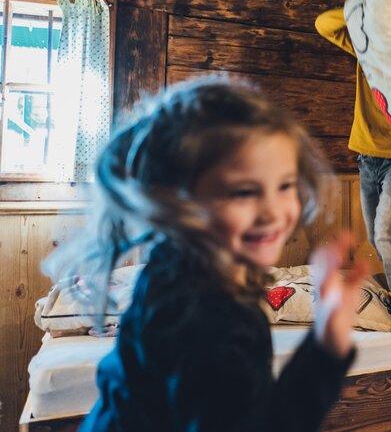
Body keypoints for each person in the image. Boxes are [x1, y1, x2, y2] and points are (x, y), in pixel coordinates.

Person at [44, 76, 366, 432]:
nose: (274, 211)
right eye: (244, 192)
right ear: (177, 201)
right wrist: (327, 344)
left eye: (285, 185)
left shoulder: (182, 264)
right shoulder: (204, 322)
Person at [315, 8, 391, 332]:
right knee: (376, 237)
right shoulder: (366, 49)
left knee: (386, 232)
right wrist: (363, 5)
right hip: (366, 158)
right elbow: (324, 24)